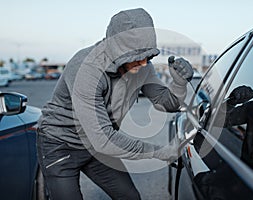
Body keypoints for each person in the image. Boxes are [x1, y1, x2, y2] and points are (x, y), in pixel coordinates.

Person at [36, 8, 193, 200]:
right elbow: (103, 140)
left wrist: (179, 83)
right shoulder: (86, 69)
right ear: (118, 49)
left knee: (130, 197)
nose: (144, 63)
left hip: (96, 147)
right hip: (60, 144)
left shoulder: (142, 66)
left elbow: (166, 104)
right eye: (137, 56)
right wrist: (160, 152)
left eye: (147, 56)